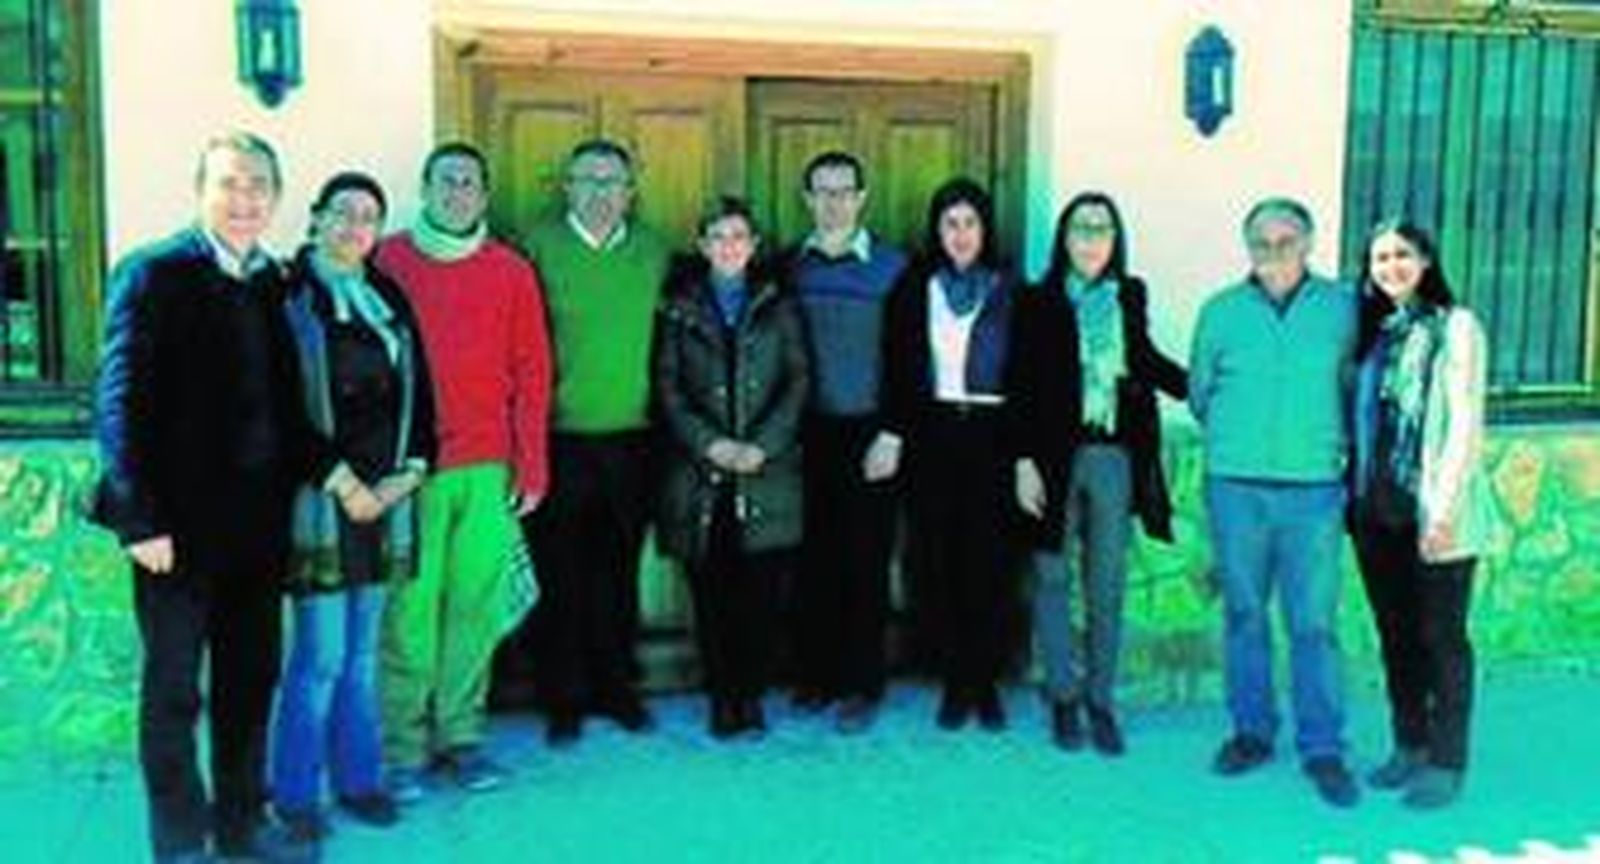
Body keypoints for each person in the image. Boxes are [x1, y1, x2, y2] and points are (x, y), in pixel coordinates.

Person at [93, 131, 323, 861]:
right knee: (173, 693)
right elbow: (117, 401)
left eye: (259, 186)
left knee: (250, 681)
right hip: (173, 535)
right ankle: (180, 840)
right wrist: (139, 517)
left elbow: (287, 408)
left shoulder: (270, 282)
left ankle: (241, 826)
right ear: (200, 190)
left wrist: (335, 473)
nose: (245, 199)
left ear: (277, 198)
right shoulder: (153, 273)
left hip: (256, 531)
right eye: (229, 184)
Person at [375, 142, 551, 800]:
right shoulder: (387, 260)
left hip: (487, 467)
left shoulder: (510, 270)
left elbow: (533, 370)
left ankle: (461, 738)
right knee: (410, 611)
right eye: (446, 181)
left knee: (473, 609)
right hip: (412, 471)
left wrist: (531, 463)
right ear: (424, 188)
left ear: (484, 194)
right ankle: (403, 748)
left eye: (470, 182)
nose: (457, 192)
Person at [271, 172, 436, 841]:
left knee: (364, 656)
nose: (355, 228)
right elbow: (277, 408)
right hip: (321, 500)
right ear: (315, 219)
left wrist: (412, 472)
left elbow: (421, 394)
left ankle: (360, 780)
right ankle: (295, 795)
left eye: (369, 217)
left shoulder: (387, 294)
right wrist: (344, 483)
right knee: (320, 659)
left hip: (385, 501)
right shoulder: (286, 297)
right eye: (343, 214)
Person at [1188, 197, 1361, 808]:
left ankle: (1323, 748)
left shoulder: (1343, 309)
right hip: (1235, 485)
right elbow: (1200, 393)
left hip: (1314, 489)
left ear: (1309, 243)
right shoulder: (1221, 312)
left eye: (1286, 241)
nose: (1273, 253)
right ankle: (1252, 732)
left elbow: (1356, 388)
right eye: (1261, 242)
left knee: (1313, 623)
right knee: (1243, 614)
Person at [1011, 192, 1188, 756]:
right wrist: (1022, 462)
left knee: (1106, 582)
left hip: (1113, 456)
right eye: (1082, 227)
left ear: (1116, 240)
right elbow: (1020, 384)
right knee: (1051, 577)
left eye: (1103, 228)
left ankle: (1100, 698)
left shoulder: (1129, 296)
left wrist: (1204, 386)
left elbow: (1145, 360)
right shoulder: (1037, 301)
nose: (1091, 238)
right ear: (1065, 237)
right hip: (1051, 458)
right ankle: (1063, 693)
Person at [520, 139, 672, 745]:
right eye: (589, 180)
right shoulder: (536, 247)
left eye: (614, 182)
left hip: (633, 442)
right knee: (560, 579)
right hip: (559, 440)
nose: (602, 193)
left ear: (631, 191)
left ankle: (617, 689)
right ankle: (563, 699)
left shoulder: (655, 251)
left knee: (618, 575)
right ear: (567, 186)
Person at [1350, 219, 1494, 810]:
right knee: (1396, 636)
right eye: (1380, 258)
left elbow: (1463, 422)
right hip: (1377, 508)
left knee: (1442, 639)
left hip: (1435, 512)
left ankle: (1446, 759)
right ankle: (1408, 743)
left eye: (1402, 255)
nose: (1390, 267)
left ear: (1427, 259)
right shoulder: (1377, 331)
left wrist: (1444, 509)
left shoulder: (1456, 327)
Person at [654, 196, 810, 738]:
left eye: (739, 236)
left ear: (754, 246)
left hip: (768, 473)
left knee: (761, 596)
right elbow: (667, 387)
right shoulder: (679, 306)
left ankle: (751, 693)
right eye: (718, 237)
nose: (729, 246)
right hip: (703, 478)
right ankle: (723, 696)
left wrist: (762, 446)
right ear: (702, 246)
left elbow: (798, 380)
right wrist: (711, 444)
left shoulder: (779, 304)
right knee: (713, 595)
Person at [880, 177, 1021, 732]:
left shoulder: (1012, 290)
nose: (961, 235)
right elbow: (896, 364)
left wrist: (1024, 455)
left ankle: (985, 680)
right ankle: (954, 680)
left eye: (970, 223)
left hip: (990, 435)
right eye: (950, 224)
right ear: (936, 231)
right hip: (933, 434)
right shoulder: (916, 287)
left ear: (985, 230)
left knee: (988, 563)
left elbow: (1027, 376)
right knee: (937, 559)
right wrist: (893, 432)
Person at [784, 151, 908, 733]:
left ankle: (863, 684)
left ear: (862, 198)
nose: (833, 203)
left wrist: (893, 432)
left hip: (872, 434)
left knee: (865, 561)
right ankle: (816, 675)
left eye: (843, 192)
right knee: (812, 561)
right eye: (821, 192)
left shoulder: (893, 268)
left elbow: (917, 358)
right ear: (807, 199)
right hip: (805, 432)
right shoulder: (789, 267)